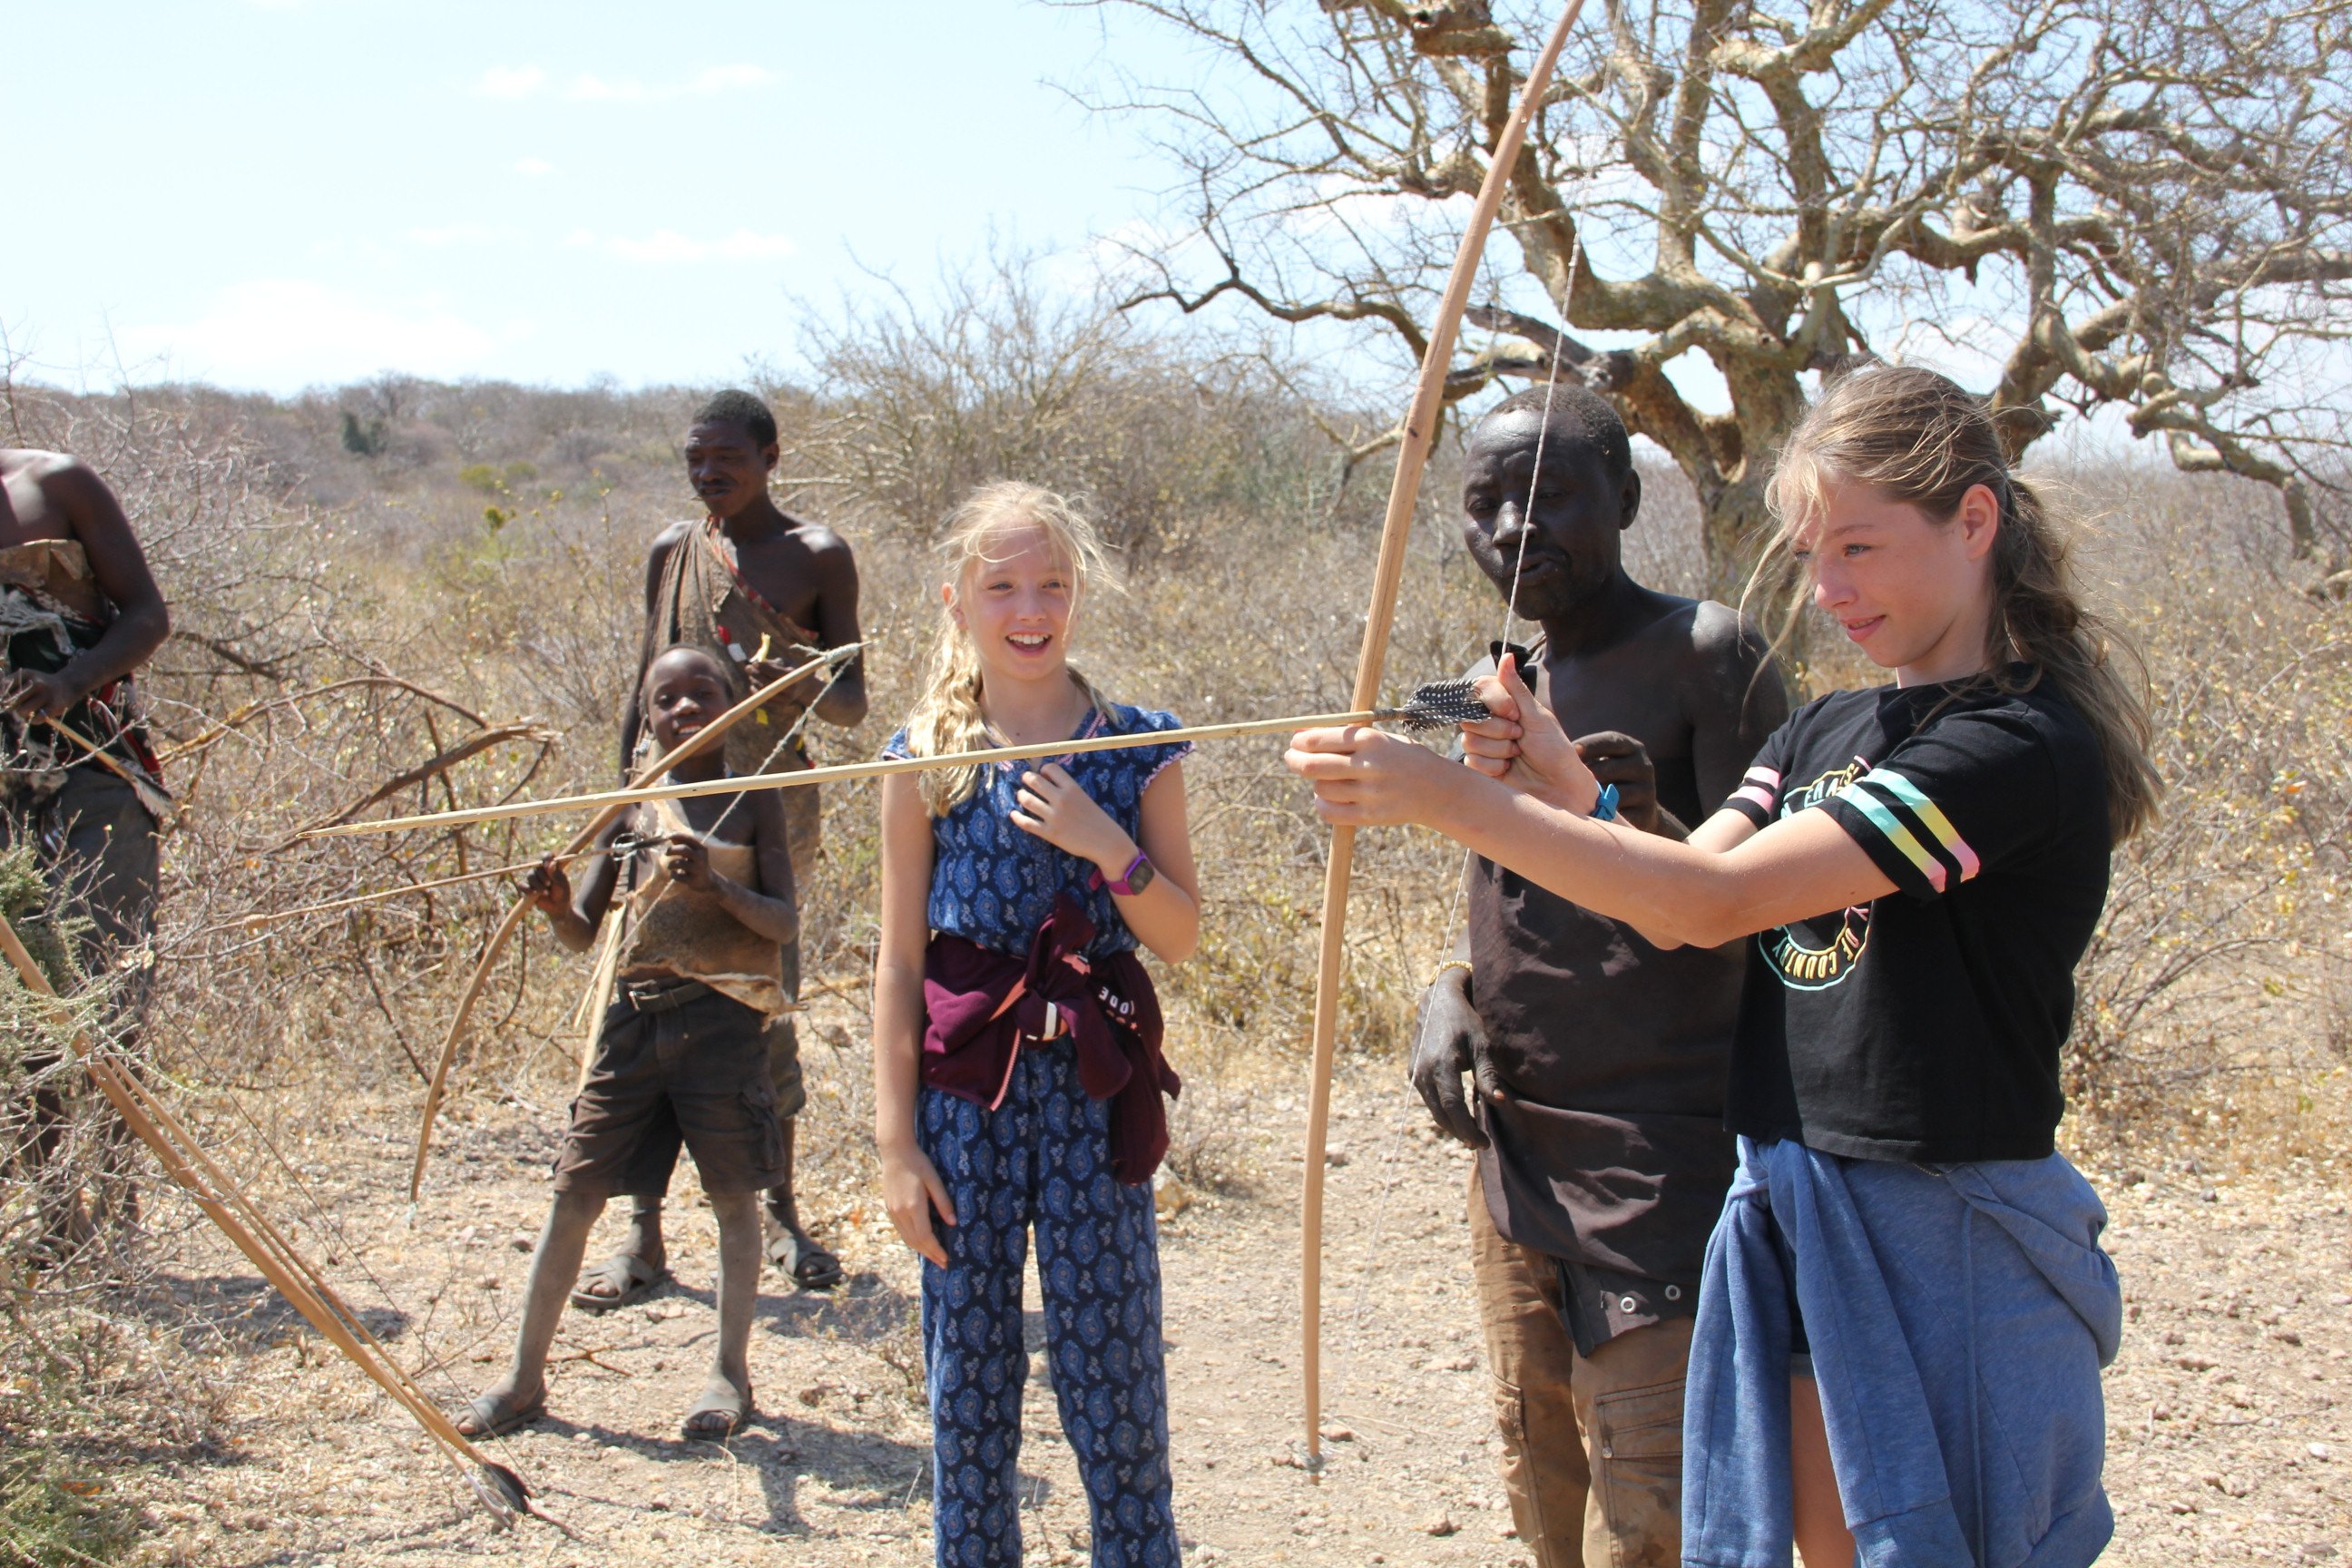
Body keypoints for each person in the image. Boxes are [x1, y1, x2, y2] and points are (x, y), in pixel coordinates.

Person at [1288, 364, 2159, 1567]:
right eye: (1811, 556)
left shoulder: (2010, 746)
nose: (1832, 589)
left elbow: (1712, 905)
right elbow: (1668, 885)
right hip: (1802, 1200)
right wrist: (1555, 773)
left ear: (1975, 520)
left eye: (1860, 548)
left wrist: (1445, 801)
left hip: (1943, 1219)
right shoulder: (1824, 732)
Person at [1411, 386, 1786, 1567]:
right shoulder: (1502, 684)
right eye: (1483, 505)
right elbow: (1529, 909)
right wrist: (1452, 993)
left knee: (1660, 1518)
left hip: (1664, 1173)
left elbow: (1783, 923)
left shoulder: (1706, 654)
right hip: (1520, 1169)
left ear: (1626, 497)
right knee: (1547, 1490)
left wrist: (1619, 805)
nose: (1513, 527)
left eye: (1550, 492)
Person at [872, 481, 1196, 1568]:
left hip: (1096, 1099)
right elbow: (902, 958)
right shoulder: (927, 756)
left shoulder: (1137, 744)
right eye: (1002, 583)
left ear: (1078, 594)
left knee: (1116, 1382)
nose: (1030, 607)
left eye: (1052, 584)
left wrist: (1111, 843)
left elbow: (1182, 932)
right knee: (969, 1392)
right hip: (965, 1108)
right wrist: (895, 1143)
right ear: (956, 598)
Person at [456, 645, 799, 1441]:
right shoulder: (631, 804)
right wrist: (549, 906)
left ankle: (729, 1376)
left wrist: (713, 884)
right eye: (666, 698)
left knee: (733, 1200)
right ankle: (522, 1381)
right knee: (575, 1191)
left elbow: (782, 923)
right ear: (645, 717)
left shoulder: (753, 800)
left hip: (721, 1025)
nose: (685, 708)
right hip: (632, 1024)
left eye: (703, 692)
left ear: (735, 704)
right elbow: (583, 933)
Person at [583, 387, 867, 1307]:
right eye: (696, 462)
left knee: (757, 997)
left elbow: (853, 702)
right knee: (641, 998)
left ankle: (780, 1214)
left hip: (766, 806)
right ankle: (642, 1233)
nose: (709, 477)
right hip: (665, 803)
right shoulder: (675, 550)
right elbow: (643, 685)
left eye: (728, 462)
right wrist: (619, 803)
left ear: (773, 458)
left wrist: (791, 676)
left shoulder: (817, 557)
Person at [1, 446, 172, 1251]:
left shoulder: (55, 483)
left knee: (104, 992)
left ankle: (117, 1206)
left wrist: (71, 682)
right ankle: (56, 1220)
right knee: (27, 1000)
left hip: (92, 769)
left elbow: (146, 616)